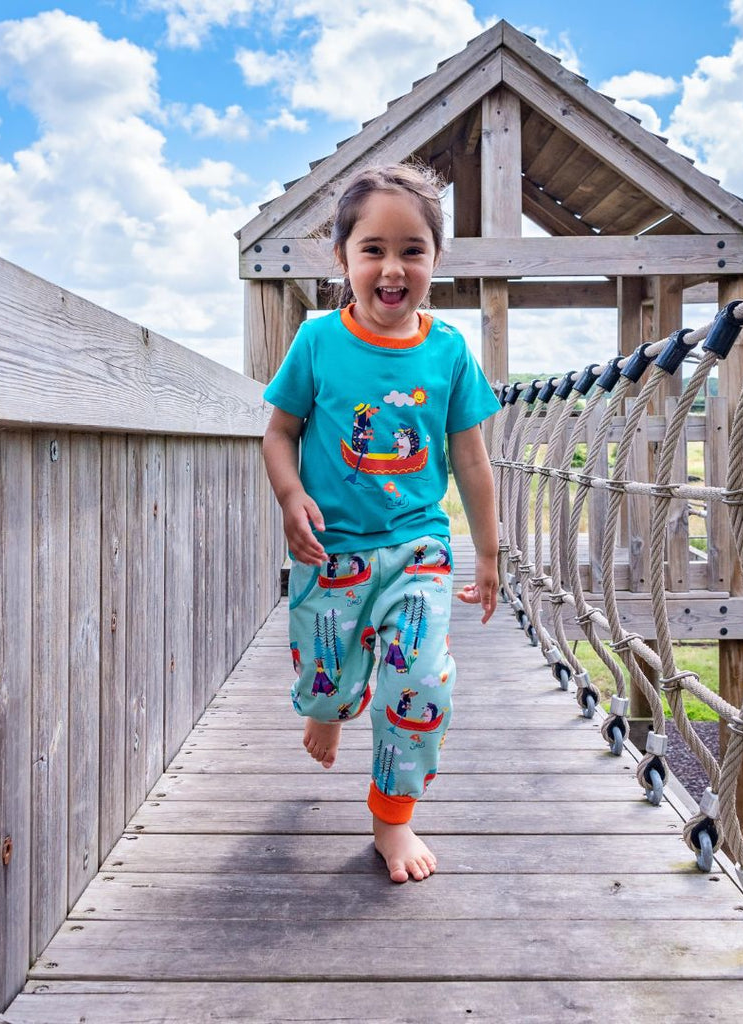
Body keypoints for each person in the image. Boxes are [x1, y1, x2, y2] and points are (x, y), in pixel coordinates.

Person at [262, 163, 500, 883]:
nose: (392, 268)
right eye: (373, 249)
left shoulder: (449, 351)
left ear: (435, 259)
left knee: (421, 685)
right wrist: (289, 494)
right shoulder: (317, 343)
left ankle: (392, 819)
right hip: (331, 551)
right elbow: (278, 432)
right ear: (343, 257)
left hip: (420, 548)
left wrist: (487, 555)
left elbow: (473, 460)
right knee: (330, 673)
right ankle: (329, 705)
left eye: (412, 249)